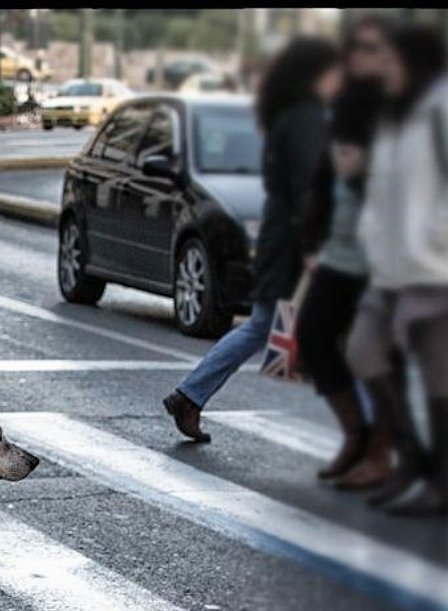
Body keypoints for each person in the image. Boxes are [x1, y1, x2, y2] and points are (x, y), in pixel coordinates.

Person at [163, 38, 341, 441]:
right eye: (335, 73)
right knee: (334, 334)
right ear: (317, 75)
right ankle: (378, 437)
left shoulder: (291, 115)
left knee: (266, 326)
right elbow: (306, 189)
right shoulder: (306, 119)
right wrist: (317, 245)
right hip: (296, 246)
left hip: (285, 242)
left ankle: (190, 395)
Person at [346, 24, 448, 516]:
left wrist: (432, 238)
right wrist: (371, 233)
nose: (379, 66)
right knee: (363, 350)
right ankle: (413, 460)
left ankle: (440, 480)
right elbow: (382, 188)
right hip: (388, 269)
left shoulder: (439, 105)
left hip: (432, 269)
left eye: (385, 55)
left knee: (437, 374)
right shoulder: (394, 115)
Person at [295, 17, 394, 486]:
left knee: (378, 353)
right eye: (356, 49)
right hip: (340, 248)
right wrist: (312, 241)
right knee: (313, 338)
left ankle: (382, 449)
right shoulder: (349, 104)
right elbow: (323, 177)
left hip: (389, 253)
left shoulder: (405, 108)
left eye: (372, 49)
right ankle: (357, 433)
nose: (362, 57)